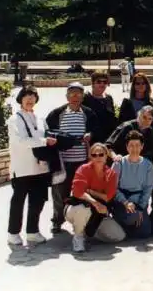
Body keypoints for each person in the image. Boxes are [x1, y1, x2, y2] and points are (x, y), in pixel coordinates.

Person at [7, 85, 55, 246]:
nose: (30, 99)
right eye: (27, 96)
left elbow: (48, 135)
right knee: (18, 202)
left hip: (40, 168)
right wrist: (43, 141)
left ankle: (32, 232)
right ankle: (13, 233)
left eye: (33, 96)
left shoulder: (40, 118)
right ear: (20, 99)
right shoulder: (15, 119)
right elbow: (21, 140)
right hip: (22, 168)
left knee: (38, 201)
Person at [46, 81, 97, 234]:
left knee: (81, 193)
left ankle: (80, 222)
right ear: (67, 96)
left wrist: (91, 134)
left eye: (78, 94)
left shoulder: (88, 113)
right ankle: (57, 221)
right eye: (72, 94)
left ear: (82, 96)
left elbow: (96, 129)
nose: (75, 97)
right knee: (59, 193)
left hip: (82, 162)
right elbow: (48, 131)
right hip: (62, 162)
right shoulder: (57, 113)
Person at [64, 143, 126, 253]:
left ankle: (87, 230)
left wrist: (89, 191)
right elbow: (77, 192)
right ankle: (78, 236)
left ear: (106, 156)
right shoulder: (83, 169)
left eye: (101, 154)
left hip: (98, 212)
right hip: (77, 208)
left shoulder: (111, 174)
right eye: (94, 155)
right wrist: (95, 202)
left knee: (119, 236)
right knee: (82, 209)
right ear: (90, 157)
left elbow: (108, 197)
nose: (98, 157)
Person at [111, 130, 153, 238]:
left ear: (142, 146)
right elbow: (113, 187)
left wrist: (140, 207)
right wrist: (125, 202)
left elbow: (148, 188)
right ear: (126, 147)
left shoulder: (148, 165)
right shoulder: (118, 163)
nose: (134, 149)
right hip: (122, 201)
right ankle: (121, 224)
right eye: (131, 145)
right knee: (131, 218)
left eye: (137, 145)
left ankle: (130, 227)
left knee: (145, 232)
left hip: (139, 201)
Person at [83, 70, 119, 144]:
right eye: (99, 82)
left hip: (108, 139)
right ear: (93, 83)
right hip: (91, 139)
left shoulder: (109, 98)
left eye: (105, 82)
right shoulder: (86, 98)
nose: (102, 84)